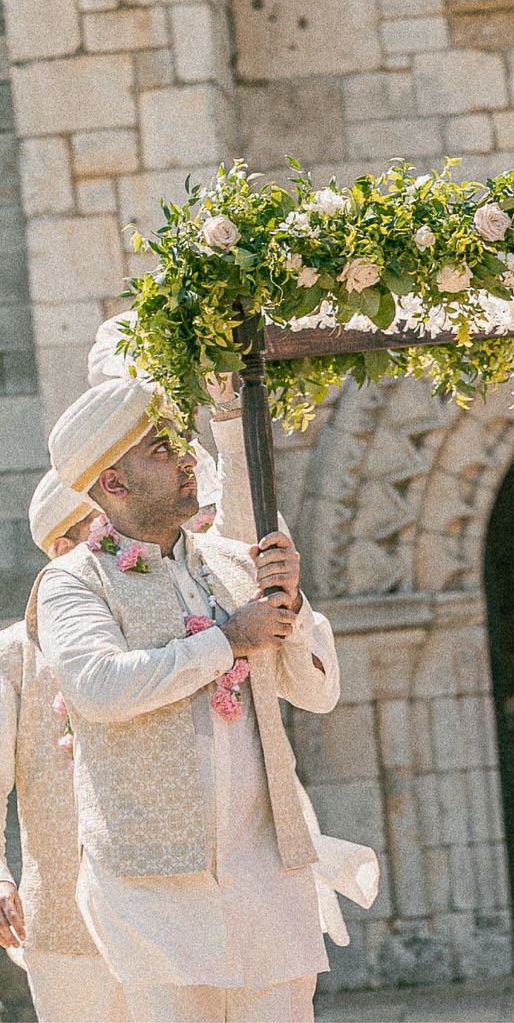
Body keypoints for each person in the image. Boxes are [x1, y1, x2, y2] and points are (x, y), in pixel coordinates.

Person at [38, 371, 341, 1023]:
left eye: (180, 440)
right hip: (155, 892)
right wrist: (226, 641)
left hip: (266, 880)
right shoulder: (73, 581)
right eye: (159, 449)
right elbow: (98, 685)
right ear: (112, 484)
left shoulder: (230, 563)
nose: (183, 458)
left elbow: (316, 689)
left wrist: (295, 599)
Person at [0, 473, 131, 1023]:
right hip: (62, 920)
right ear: (64, 549)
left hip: (170, 915)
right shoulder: (15, 652)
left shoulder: (158, 626)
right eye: (109, 537)